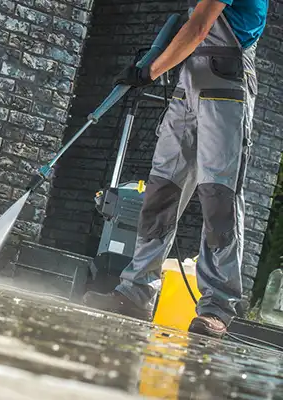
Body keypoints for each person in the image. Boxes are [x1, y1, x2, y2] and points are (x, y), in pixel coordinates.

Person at [83, 0, 268, 338]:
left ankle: (217, 306)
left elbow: (198, 28)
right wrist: (159, 59)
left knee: (219, 195)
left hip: (227, 83)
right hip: (190, 81)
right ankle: (135, 292)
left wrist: (148, 71)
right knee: (162, 190)